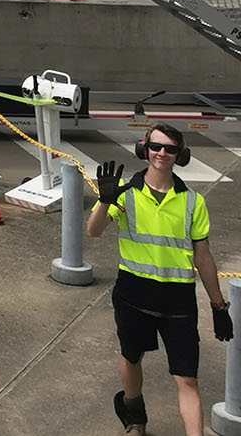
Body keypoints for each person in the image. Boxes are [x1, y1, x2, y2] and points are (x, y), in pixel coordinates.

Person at [87, 123, 232, 436]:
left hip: (177, 300)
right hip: (133, 294)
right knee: (131, 356)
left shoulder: (193, 202)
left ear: (180, 155)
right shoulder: (125, 193)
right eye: (155, 146)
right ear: (145, 149)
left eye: (170, 149)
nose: (161, 154)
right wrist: (104, 200)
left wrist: (218, 306)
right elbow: (93, 231)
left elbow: (203, 257)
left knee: (188, 378)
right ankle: (134, 416)